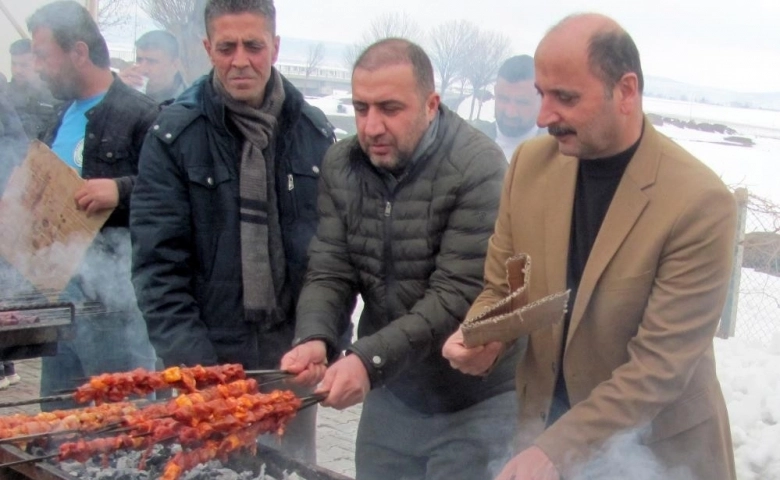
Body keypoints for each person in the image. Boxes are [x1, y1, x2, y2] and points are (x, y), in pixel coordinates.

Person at [443, 13, 737, 480]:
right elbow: (503, 288)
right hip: (544, 430)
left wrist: (557, 451)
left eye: (566, 97)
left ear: (625, 91)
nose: (543, 117)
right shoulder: (529, 166)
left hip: (656, 454)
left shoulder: (699, 202)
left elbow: (658, 367)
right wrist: (483, 334)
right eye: (542, 94)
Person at [281, 38, 519, 480]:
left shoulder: (478, 167)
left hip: (473, 398)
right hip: (394, 393)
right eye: (361, 108)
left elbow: (456, 294)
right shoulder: (342, 163)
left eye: (390, 108)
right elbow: (331, 265)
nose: (371, 127)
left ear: (431, 104)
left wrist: (367, 361)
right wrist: (315, 335)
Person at [130, 0, 336, 463]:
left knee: (288, 472)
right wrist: (199, 375)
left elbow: (332, 257)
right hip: (207, 361)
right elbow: (157, 269)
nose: (240, 59)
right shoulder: (173, 136)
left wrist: (321, 339)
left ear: (275, 47)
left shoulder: (314, 133)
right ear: (208, 48)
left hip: (290, 363)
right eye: (226, 47)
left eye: (253, 45)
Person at [28, 0, 159, 410]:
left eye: (42, 55)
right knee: (57, 427)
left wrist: (120, 190)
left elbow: (171, 194)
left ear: (78, 53)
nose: (36, 66)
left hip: (115, 307)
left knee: (124, 424)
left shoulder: (141, 114)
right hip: (60, 300)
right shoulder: (59, 115)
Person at [472, 55, 542, 160]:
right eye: (503, 99)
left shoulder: (560, 154)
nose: (510, 112)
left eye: (521, 102)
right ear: (495, 92)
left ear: (542, 99)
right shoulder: (471, 142)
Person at [6, 38, 58, 140]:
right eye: (14, 64)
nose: (17, 70)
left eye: (24, 65)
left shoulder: (56, 94)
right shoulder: (3, 93)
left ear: (38, 63)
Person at [119, 30, 187, 104]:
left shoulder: (192, 105)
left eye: (152, 62)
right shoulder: (129, 94)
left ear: (175, 65)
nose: (142, 69)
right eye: (139, 60)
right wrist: (115, 92)